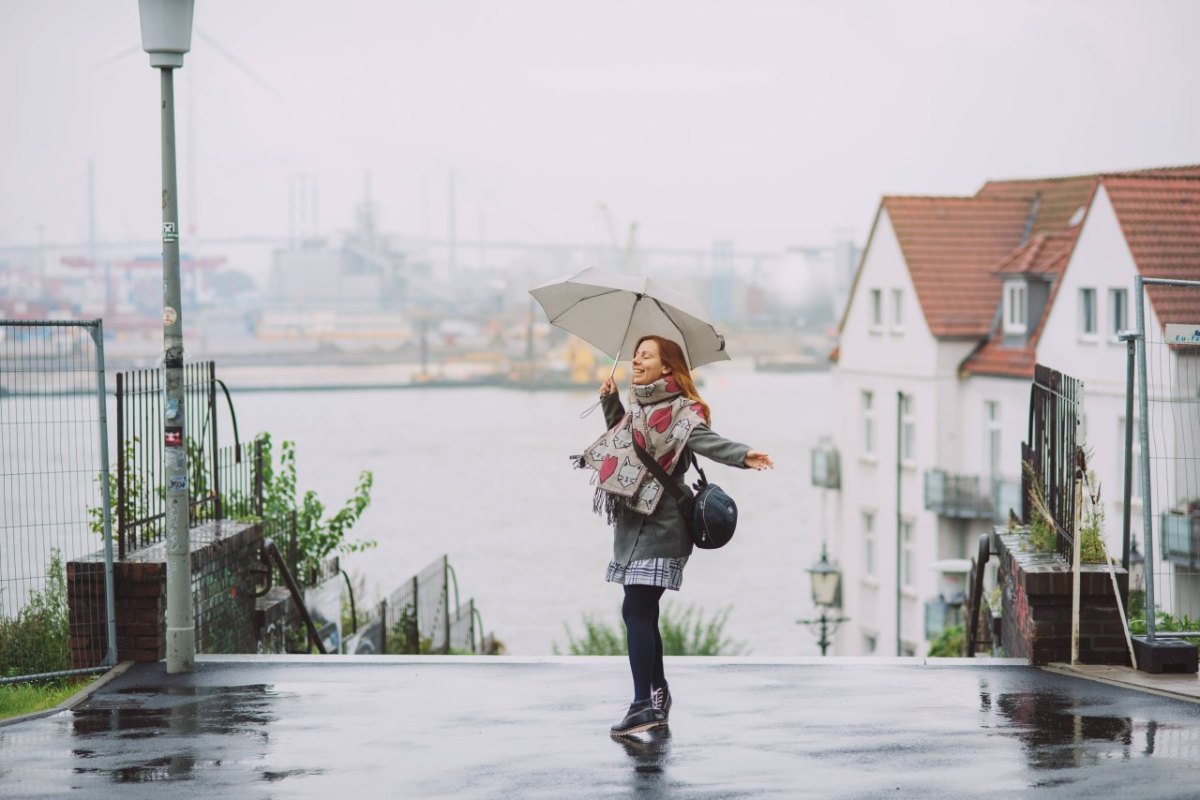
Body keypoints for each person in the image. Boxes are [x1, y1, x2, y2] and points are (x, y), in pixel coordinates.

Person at [579, 334, 773, 736]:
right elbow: (624, 443)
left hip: (665, 526)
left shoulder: (683, 413)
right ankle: (657, 694)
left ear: (667, 367)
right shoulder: (636, 409)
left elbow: (707, 441)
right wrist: (610, 401)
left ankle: (641, 705)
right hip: (632, 524)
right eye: (635, 355)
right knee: (643, 612)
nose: (636, 361)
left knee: (635, 609)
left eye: (645, 355)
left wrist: (744, 455)